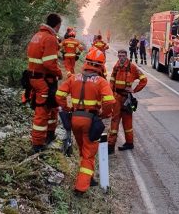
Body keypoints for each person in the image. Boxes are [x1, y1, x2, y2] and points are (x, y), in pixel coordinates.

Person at [56, 48, 116, 195]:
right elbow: (110, 102)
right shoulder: (101, 81)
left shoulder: (73, 78)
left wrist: (68, 107)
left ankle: (89, 177)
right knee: (89, 154)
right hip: (90, 120)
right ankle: (81, 187)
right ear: (101, 65)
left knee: (84, 150)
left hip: (75, 119)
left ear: (86, 63)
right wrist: (104, 114)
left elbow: (59, 96)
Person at [26, 13, 63, 153]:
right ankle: (38, 144)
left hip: (36, 77)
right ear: (57, 25)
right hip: (43, 80)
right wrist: (59, 73)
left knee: (52, 106)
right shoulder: (50, 38)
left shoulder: (37, 35)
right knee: (42, 110)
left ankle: (50, 134)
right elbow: (49, 63)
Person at [108, 49, 147, 154]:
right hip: (116, 97)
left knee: (127, 121)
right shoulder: (116, 66)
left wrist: (134, 90)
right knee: (115, 120)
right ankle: (111, 145)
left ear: (126, 56)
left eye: (123, 56)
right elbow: (111, 81)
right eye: (119, 56)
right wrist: (110, 94)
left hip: (126, 98)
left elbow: (144, 80)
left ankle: (129, 143)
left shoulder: (132, 67)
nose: (121, 57)